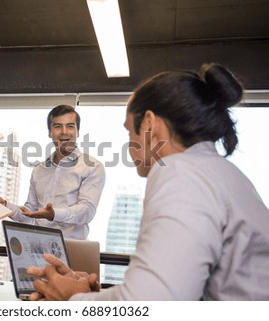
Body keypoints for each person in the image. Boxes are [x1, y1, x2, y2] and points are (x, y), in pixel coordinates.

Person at [26, 63, 269, 300]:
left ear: (150, 124)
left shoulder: (179, 173)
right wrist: (90, 295)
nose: (129, 145)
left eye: (129, 131)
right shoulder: (225, 173)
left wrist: (73, 298)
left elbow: (150, 303)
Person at [0, 105, 106, 240]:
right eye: (57, 126)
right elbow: (30, 214)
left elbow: (86, 211)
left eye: (70, 126)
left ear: (77, 131)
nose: (64, 132)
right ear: (50, 132)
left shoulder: (92, 167)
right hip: (37, 247)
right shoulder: (39, 170)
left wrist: (53, 214)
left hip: (70, 250)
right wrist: (5, 205)